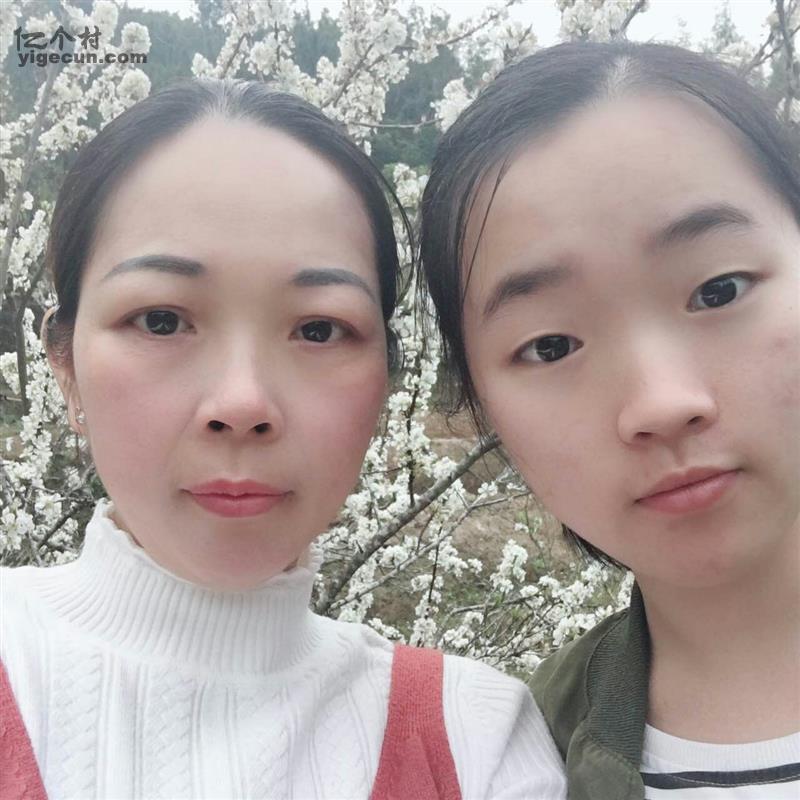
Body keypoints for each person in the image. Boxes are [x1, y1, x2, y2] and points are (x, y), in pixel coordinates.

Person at [0, 79, 567, 799]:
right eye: (162, 321)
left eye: (319, 329)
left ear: (384, 381)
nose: (243, 404)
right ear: (64, 363)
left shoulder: (473, 738)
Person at [419, 40, 799, 799]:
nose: (662, 403)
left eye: (720, 290)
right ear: (486, 408)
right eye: (551, 346)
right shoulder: (511, 766)